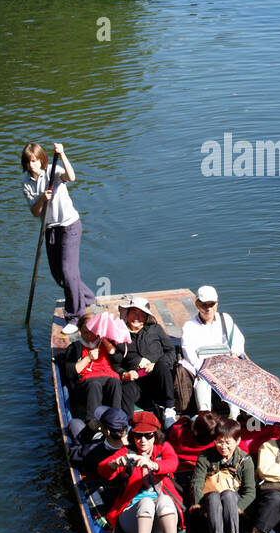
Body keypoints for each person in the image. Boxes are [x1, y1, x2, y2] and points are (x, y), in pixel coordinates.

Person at [96, 412, 183, 533]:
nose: (142, 440)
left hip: (159, 521)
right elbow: (102, 469)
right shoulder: (127, 453)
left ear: (154, 436)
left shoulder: (163, 449)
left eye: (147, 436)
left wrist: (154, 465)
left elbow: (173, 463)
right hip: (132, 519)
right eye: (137, 436)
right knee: (146, 502)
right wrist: (115, 464)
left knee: (165, 500)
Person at [22, 141, 94, 330]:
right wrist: (42, 199)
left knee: (69, 271)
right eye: (29, 162)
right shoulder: (26, 182)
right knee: (59, 276)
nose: (33, 165)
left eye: (35, 161)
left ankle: (75, 317)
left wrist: (62, 154)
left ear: (41, 160)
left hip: (69, 225)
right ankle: (86, 297)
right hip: (50, 228)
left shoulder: (52, 171)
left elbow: (71, 177)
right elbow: (36, 212)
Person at [188, 418, 256, 533]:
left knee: (228, 494)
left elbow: (250, 491)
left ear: (237, 441)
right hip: (210, 507)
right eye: (219, 441)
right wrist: (199, 506)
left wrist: (238, 508)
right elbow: (197, 483)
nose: (223, 446)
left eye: (227, 442)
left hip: (235, 509)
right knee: (213, 496)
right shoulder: (205, 457)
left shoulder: (245, 461)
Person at [111, 296, 177, 429]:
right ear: (128, 314)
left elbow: (171, 351)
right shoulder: (119, 335)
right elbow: (116, 365)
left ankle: (169, 409)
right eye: (134, 312)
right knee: (126, 388)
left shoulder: (155, 329)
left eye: (142, 314)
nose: (137, 317)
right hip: (137, 383)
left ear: (146, 317)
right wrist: (125, 374)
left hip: (158, 381)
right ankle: (127, 425)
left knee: (162, 365)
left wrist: (155, 364)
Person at [180, 286, 244, 415]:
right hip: (204, 365)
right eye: (204, 304)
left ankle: (234, 415)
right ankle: (205, 414)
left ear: (217, 304)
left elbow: (238, 339)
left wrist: (235, 354)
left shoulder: (226, 319)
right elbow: (188, 350)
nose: (208, 308)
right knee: (202, 381)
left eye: (211, 304)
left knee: (234, 378)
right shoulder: (190, 326)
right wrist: (202, 368)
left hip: (226, 363)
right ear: (197, 304)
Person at [61, 308, 123, 420]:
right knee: (94, 384)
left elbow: (118, 360)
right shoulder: (75, 347)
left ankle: (116, 420)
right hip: (87, 383)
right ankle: (92, 422)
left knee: (115, 382)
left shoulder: (105, 343)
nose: (89, 336)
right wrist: (88, 358)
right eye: (85, 333)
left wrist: (105, 342)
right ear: (80, 331)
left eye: (93, 332)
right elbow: (70, 373)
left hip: (108, 378)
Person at [68, 406, 129, 471]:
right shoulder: (134, 440)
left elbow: (73, 456)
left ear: (107, 432)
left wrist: (89, 430)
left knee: (74, 423)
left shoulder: (92, 450)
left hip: (90, 461)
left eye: (101, 423)